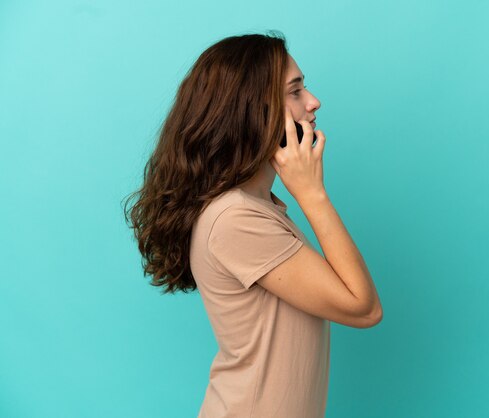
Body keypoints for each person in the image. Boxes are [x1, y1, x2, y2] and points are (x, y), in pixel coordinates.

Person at [123, 31, 382, 418]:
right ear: (251, 109)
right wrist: (311, 194)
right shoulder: (236, 219)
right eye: (295, 92)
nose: (313, 102)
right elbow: (363, 309)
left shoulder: (258, 207)